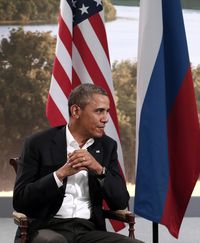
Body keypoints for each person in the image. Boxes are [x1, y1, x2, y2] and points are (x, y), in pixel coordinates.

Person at [13, 84, 143, 243]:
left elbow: (120, 201)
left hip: (88, 230)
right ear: (76, 111)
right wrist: (59, 175)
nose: (106, 118)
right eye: (99, 111)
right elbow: (20, 201)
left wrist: (99, 169)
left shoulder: (107, 146)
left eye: (107, 111)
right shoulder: (38, 143)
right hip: (46, 228)